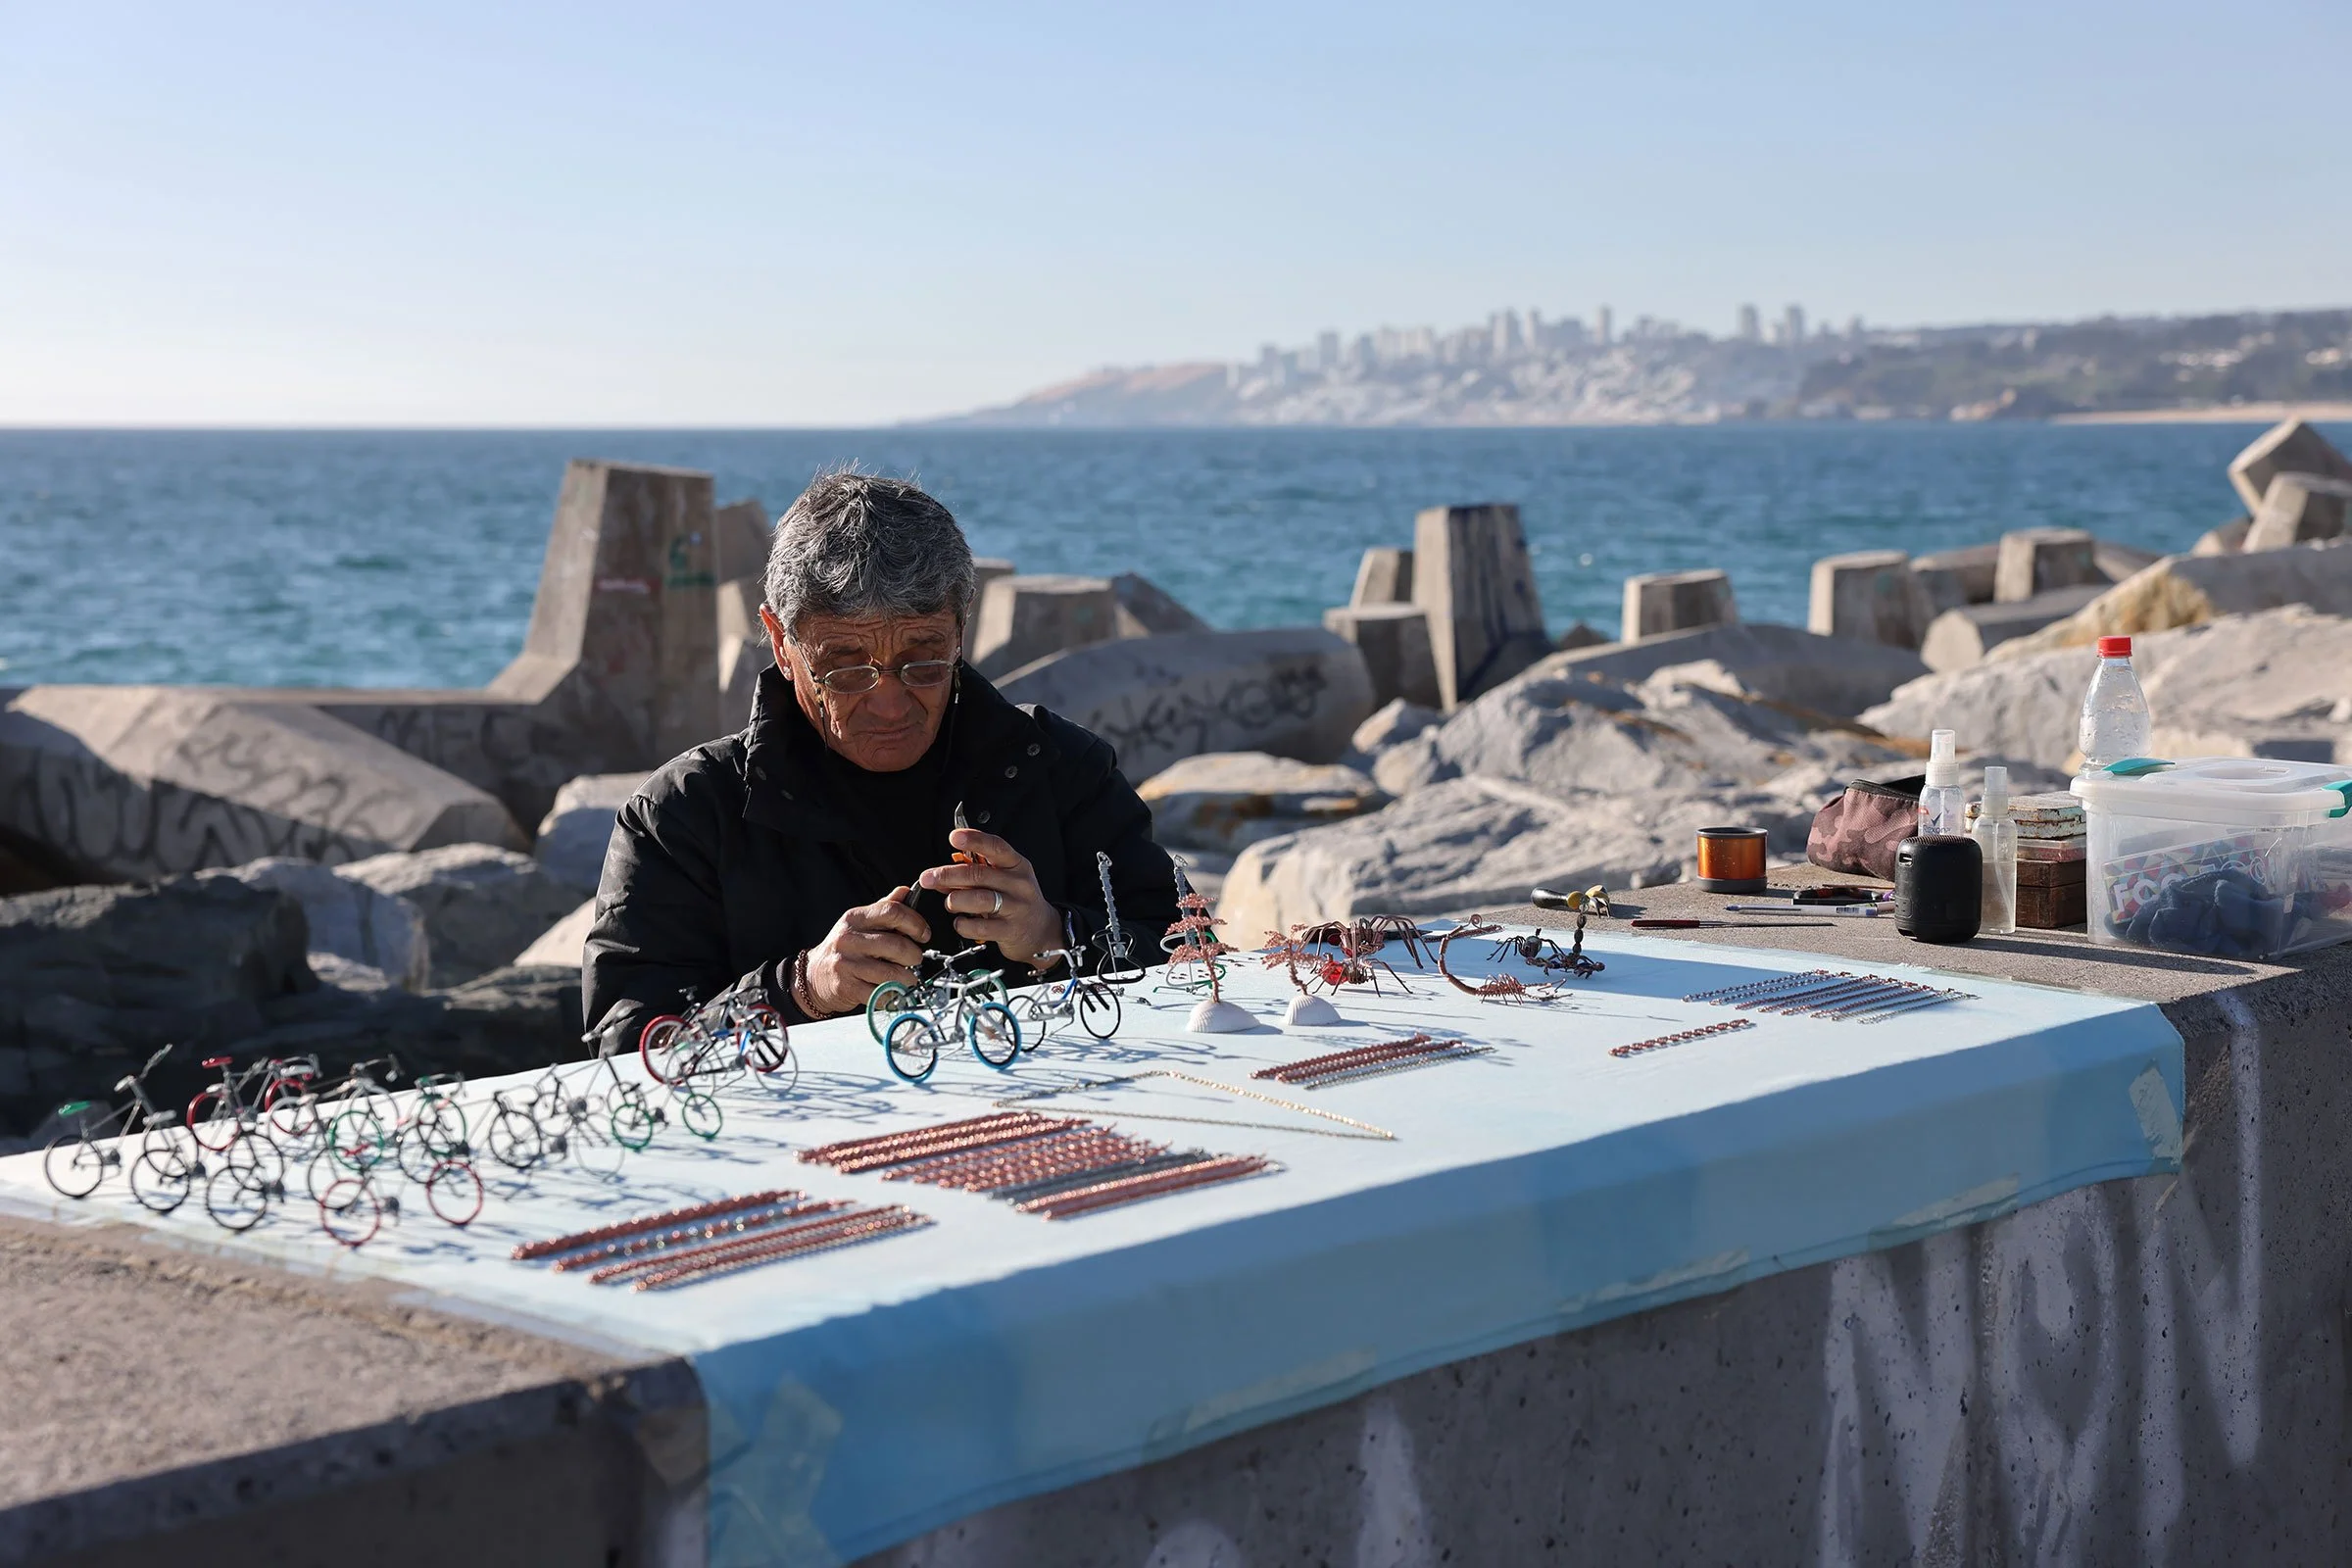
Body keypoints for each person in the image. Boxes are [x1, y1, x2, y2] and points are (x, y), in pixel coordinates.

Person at [582, 470, 1180, 1050]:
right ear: (781, 644)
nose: (889, 705)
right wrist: (799, 990)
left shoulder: (1063, 769)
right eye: (845, 668)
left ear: (959, 633)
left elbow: (1191, 966)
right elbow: (625, 1044)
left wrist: (1054, 934)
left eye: (924, 662)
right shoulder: (681, 815)